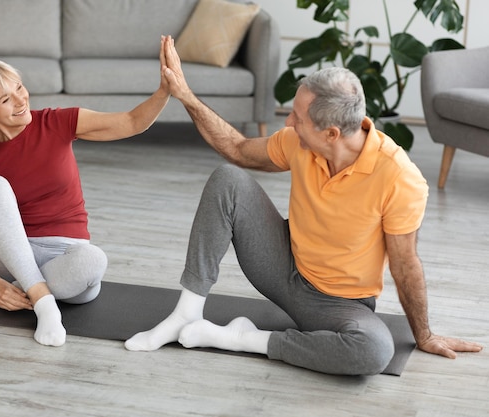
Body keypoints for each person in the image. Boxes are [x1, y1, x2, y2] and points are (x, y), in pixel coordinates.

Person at [125, 36, 483, 375]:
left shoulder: (399, 177)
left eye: (298, 117)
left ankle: (242, 339)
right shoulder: (300, 142)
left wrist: (424, 335)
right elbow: (237, 149)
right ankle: (186, 314)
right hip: (281, 268)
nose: (289, 121)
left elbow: (405, 267)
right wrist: (186, 96)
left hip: (336, 305)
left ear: (331, 133)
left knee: (374, 350)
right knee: (227, 178)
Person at [0, 37, 172, 347]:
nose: (21, 101)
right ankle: (43, 304)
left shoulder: (57, 122)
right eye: (6, 99)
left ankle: (6, 295)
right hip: (9, 252)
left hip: (67, 257)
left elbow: (131, 122)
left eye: (19, 88)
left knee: (94, 261)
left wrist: (165, 91)